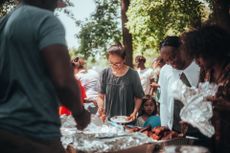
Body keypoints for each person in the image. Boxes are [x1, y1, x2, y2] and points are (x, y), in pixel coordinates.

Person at [0, 1, 90, 153]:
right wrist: (80, 113)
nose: (55, 6)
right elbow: (63, 81)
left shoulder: (4, 22)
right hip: (34, 132)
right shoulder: (45, 20)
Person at [181, 25, 230, 153]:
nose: (196, 61)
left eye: (199, 56)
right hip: (212, 142)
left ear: (212, 50)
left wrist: (227, 106)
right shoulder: (206, 73)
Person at [158, 36, 201, 133]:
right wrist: (164, 126)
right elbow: (164, 101)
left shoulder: (200, 66)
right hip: (174, 128)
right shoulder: (165, 70)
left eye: (173, 57)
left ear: (182, 49)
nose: (171, 62)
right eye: (167, 60)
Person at [97, 43, 144, 122]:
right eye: (111, 63)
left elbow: (139, 97)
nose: (114, 66)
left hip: (127, 119)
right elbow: (100, 96)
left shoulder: (133, 74)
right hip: (109, 119)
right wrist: (101, 108)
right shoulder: (105, 73)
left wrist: (134, 112)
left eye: (117, 63)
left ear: (124, 59)